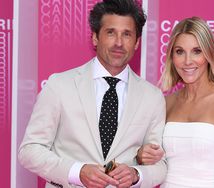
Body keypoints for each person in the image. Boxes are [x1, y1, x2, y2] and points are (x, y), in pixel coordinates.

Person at [18, 0, 167, 187]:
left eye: (127, 34)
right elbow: (30, 150)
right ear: (95, 37)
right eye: (111, 32)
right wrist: (76, 172)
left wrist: (136, 174)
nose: (119, 43)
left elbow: (159, 164)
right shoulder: (59, 85)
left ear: (137, 42)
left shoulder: (152, 97)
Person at [136, 17, 214, 188]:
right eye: (179, 51)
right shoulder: (165, 102)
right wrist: (142, 155)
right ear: (171, 56)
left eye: (196, 51)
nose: (187, 61)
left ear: (209, 54)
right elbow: (151, 160)